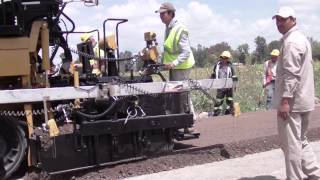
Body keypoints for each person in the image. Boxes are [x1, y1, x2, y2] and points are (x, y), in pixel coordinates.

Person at [273, 6, 320, 180]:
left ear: (293, 20)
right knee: (301, 140)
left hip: (292, 103)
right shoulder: (301, 38)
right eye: (277, 19)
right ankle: (315, 174)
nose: (279, 23)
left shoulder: (292, 42)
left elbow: (291, 74)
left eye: (283, 19)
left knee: (291, 145)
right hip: (303, 100)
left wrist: (285, 100)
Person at [155, 2, 197, 134]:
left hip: (182, 66)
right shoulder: (168, 28)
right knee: (176, 94)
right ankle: (181, 122)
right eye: (160, 14)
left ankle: (189, 123)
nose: (161, 16)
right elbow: (169, 51)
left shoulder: (179, 28)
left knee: (182, 94)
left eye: (163, 13)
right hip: (175, 67)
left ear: (171, 13)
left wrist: (173, 63)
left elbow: (186, 52)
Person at [210, 50, 236, 116]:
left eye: (226, 58)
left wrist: (234, 86)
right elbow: (213, 74)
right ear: (221, 57)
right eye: (223, 57)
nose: (224, 59)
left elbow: (234, 76)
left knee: (229, 101)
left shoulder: (230, 66)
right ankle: (216, 114)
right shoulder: (217, 65)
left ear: (228, 59)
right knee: (218, 102)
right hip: (220, 87)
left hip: (229, 87)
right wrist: (211, 82)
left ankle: (228, 114)